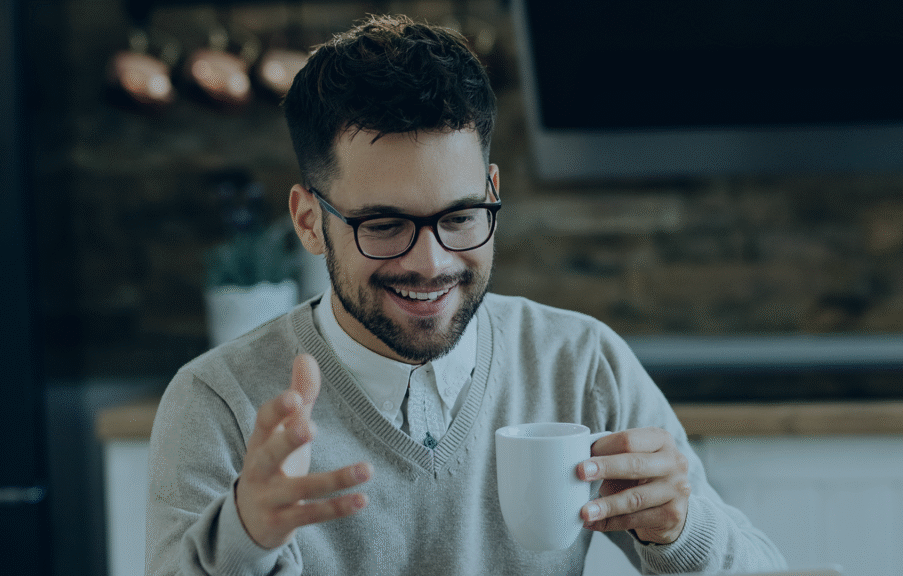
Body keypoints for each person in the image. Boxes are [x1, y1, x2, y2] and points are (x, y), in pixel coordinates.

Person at [145, 14, 787, 576]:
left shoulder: (580, 361)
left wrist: (680, 529)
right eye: (384, 225)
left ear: (492, 189)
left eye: (459, 217)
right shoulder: (218, 402)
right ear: (310, 221)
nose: (431, 263)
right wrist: (242, 540)